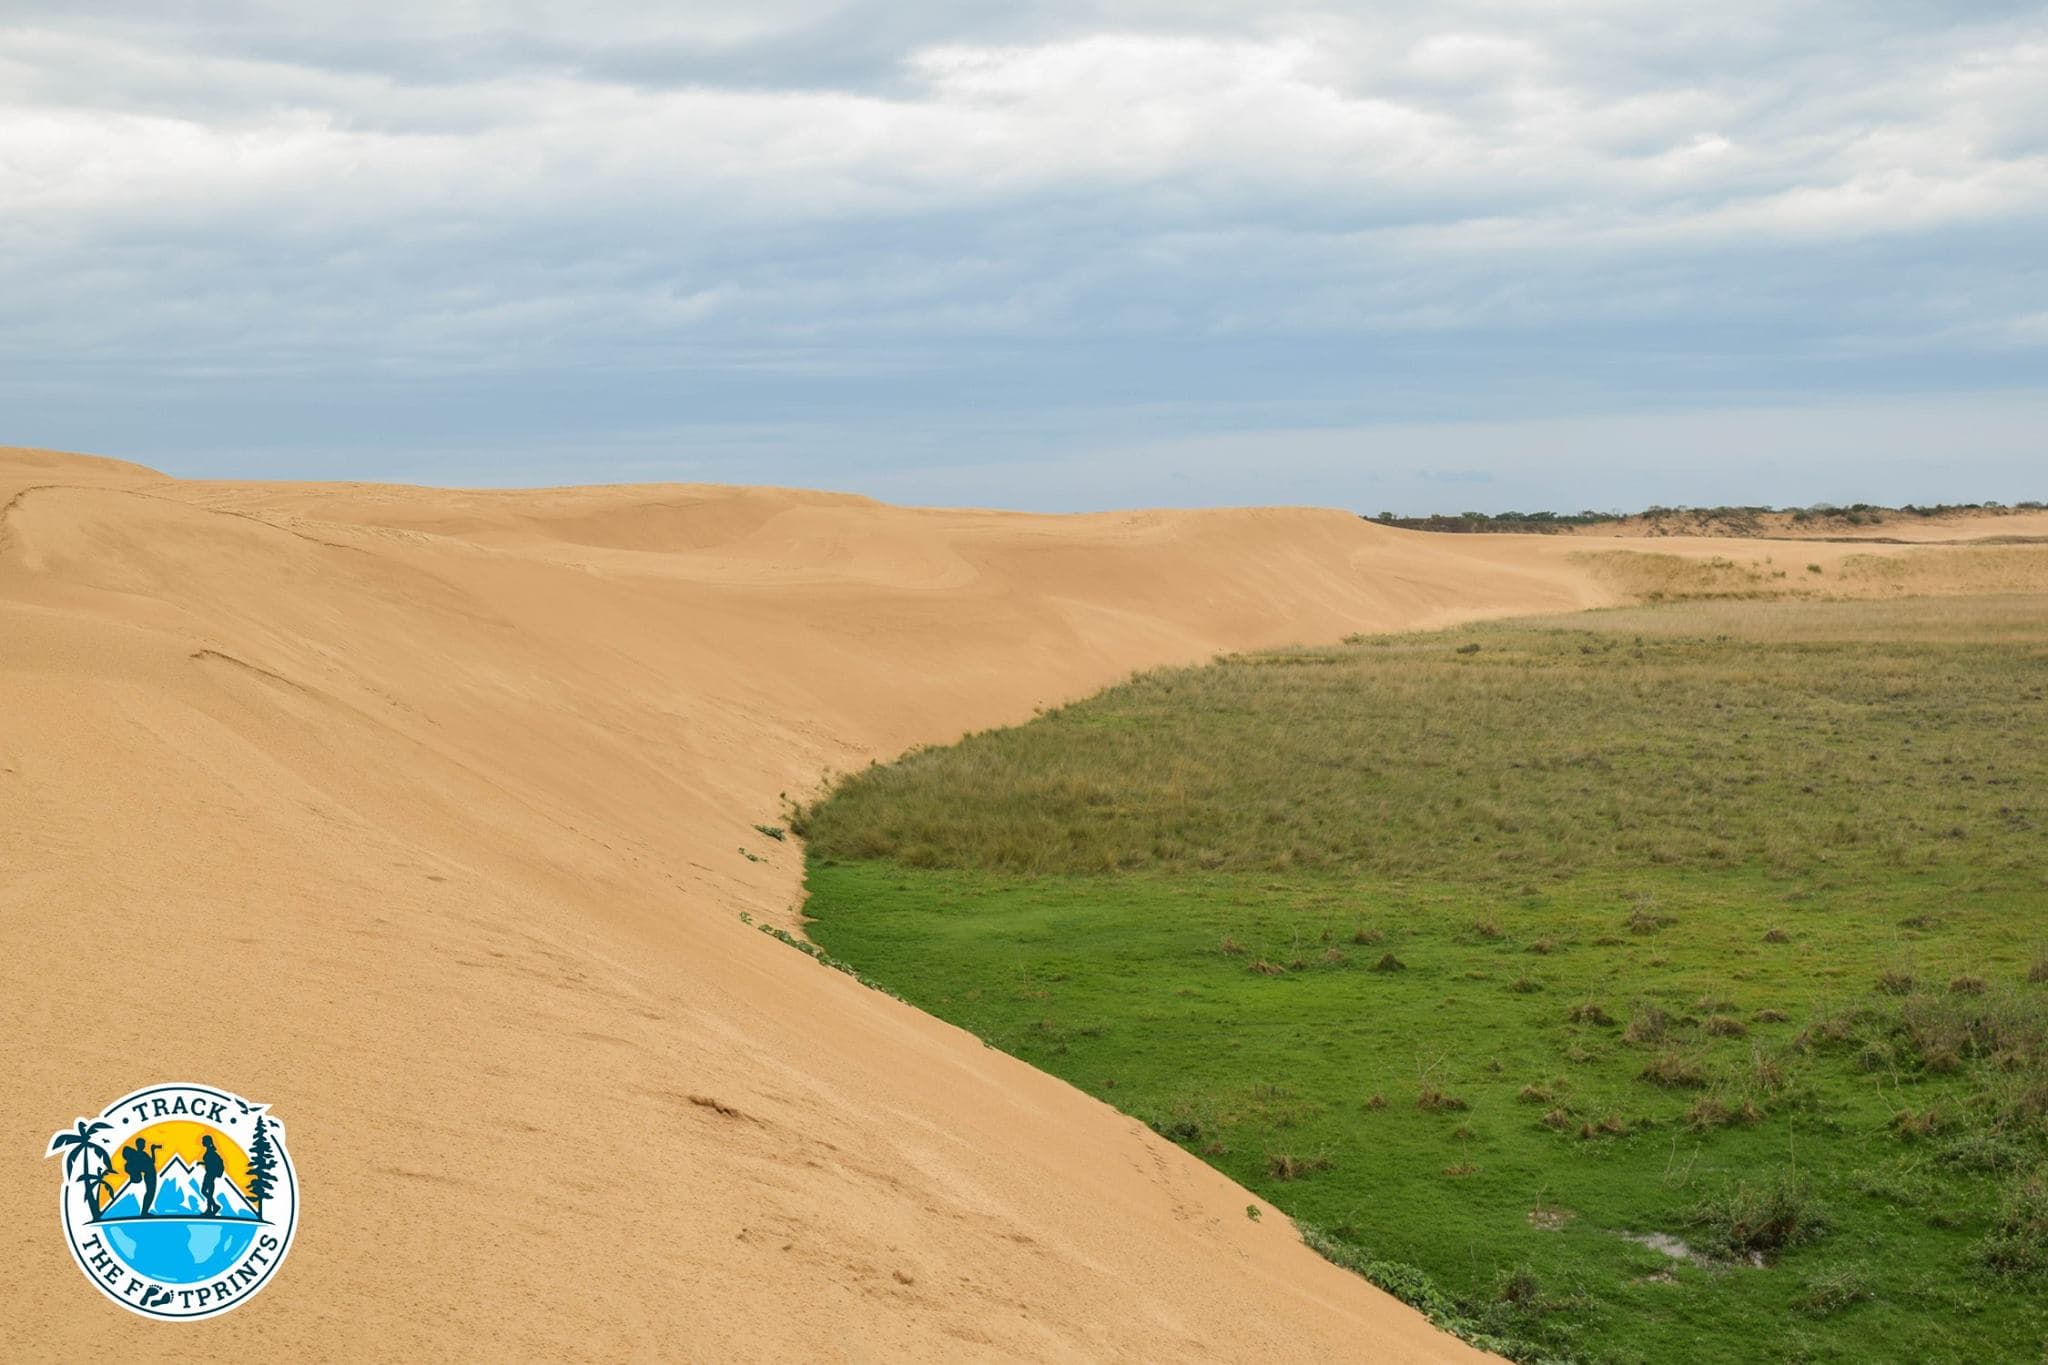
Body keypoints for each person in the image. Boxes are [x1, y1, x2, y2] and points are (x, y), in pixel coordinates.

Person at [121, 1137, 160, 1217]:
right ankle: (144, 1212)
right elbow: (148, 1164)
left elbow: (151, 1162)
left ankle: (144, 1212)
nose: (144, 1146)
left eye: (144, 1144)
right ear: (138, 1145)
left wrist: (152, 1150)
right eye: (142, 1144)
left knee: (150, 1193)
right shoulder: (139, 1155)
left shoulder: (142, 1154)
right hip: (150, 1175)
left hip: (151, 1174)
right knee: (150, 1193)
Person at [198, 1134, 226, 1216]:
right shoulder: (210, 1151)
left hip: (210, 1174)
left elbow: (212, 1163)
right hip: (210, 1174)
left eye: (203, 1140)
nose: (202, 1142)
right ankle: (212, 1207)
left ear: (207, 1142)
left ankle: (212, 1208)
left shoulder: (211, 1152)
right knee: (208, 1192)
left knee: (204, 1191)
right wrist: (201, 1163)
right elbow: (209, 1162)